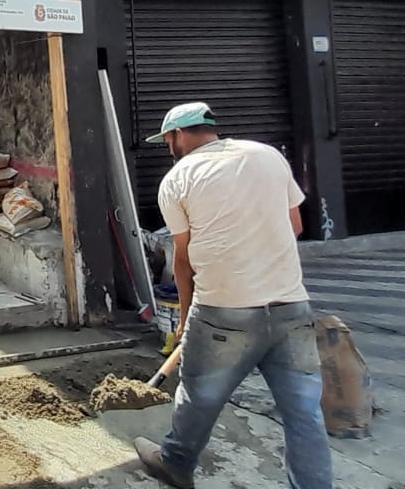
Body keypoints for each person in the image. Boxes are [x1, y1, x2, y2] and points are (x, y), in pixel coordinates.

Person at [134, 102, 330, 489]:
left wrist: (187, 319)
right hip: (292, 305)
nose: (167, 147)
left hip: (224, 311)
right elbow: (294, 225)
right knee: (304, 413)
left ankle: (175, 462)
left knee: (199, 396)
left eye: (167, 140)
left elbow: (183, 260)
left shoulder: (178, 179)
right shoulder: (268, 155)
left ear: (177, 135)